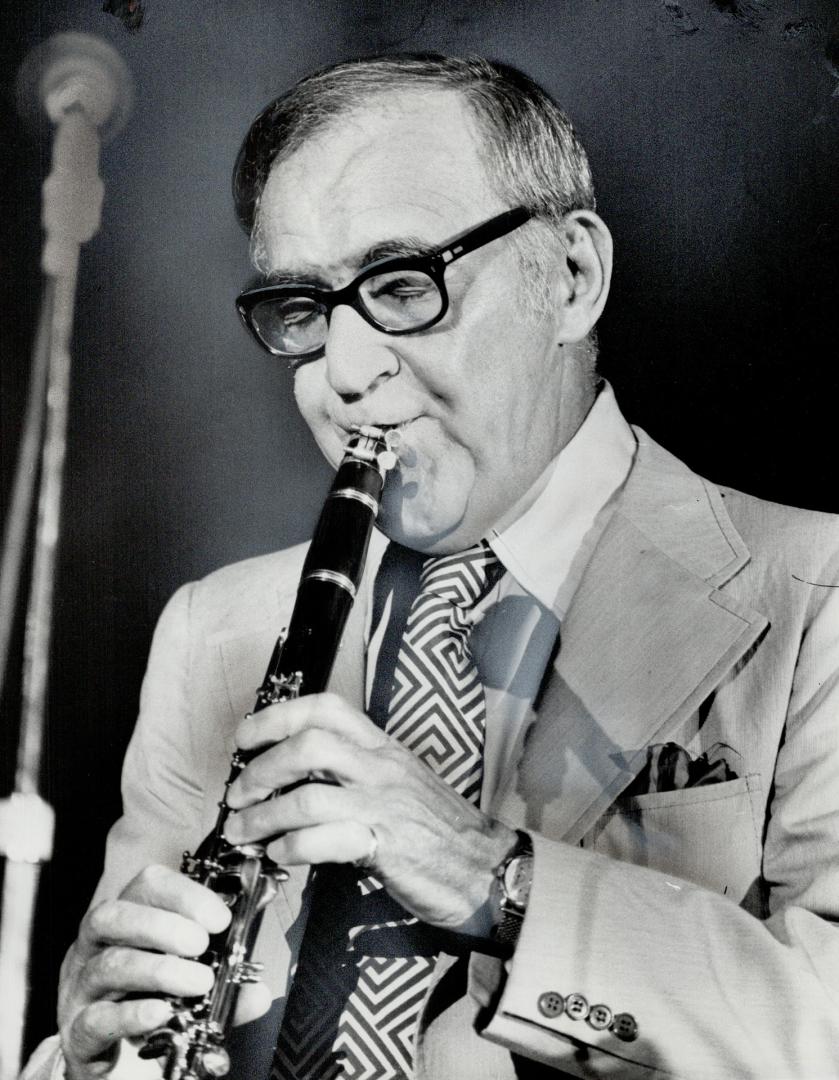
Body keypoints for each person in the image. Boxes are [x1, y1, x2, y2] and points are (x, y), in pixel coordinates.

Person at [22, 53, 839, 1080]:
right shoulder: (213, 632)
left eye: (403, 285)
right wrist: (91, 1058)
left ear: (571, 278)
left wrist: (495, 877)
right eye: (304, 311)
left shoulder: (815, 597)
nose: (347, 374)